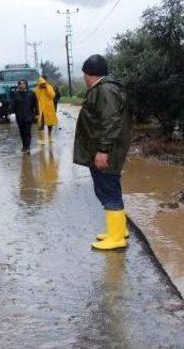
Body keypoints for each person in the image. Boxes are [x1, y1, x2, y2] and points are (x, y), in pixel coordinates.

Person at [74, 54, 131, 250]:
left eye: (84, 74)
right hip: (106, 148)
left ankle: (116, 238)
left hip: (107, 150)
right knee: (110, 187)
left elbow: (110, 122)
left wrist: (102, 150)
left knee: (108, 190)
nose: (83, 78)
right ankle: (118, 230)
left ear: (89, 74)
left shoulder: (105, 90)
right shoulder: (104, 88)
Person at [11, 79, 37, 154]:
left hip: (29, 116)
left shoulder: (31, 93)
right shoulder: (15, 94)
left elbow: (36, 104)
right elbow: (13, 104)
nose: (22, 85)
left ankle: (28, 147)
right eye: (21, 84)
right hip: (19, 116)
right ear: (18, 85)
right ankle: (24, 146)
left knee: (27, 132)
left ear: (26, 85)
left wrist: (36, 113)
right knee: (22, 132)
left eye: (24, 83)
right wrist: (11, 113)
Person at [35, 76, 58, 144]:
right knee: (41, 123)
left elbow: (53, 96)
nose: (43, 83)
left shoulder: (49, 87)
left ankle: (50, 136)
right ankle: (42, 139)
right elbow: (35, 98)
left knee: (50, 123)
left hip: (49, 108)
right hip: (40, 108)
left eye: (44, 82)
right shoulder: (36, 89)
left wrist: (47, 88)